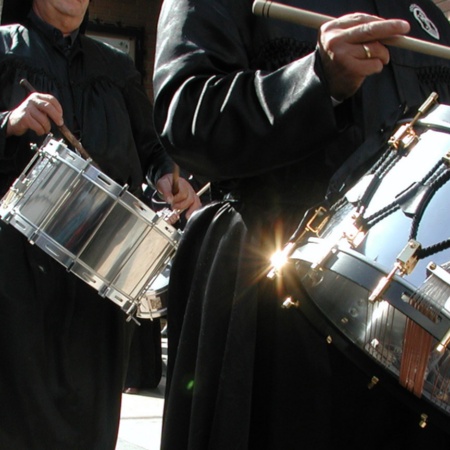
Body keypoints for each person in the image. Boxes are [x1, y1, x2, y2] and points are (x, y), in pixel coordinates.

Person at [152, 0, 450, 448]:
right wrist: (317, 80)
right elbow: (185, 117)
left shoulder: (426, 14)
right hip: (268, 286)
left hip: (410, 312)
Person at [0, 0, 202, 449]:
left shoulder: (115, 68)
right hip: (18, 274)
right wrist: (8, 123)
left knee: (91, 412)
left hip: (101, 275)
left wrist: (169, 176)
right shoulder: (5, 48)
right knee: (18, 413)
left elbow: (151, 149)